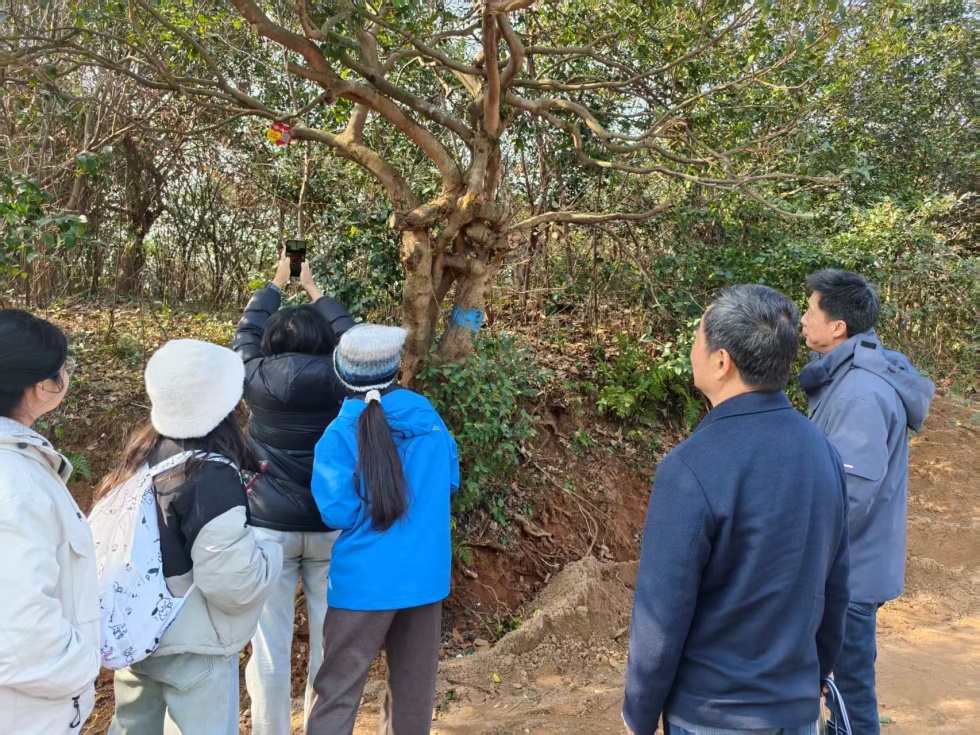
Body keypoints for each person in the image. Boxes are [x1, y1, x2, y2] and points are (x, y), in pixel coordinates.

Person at [623, 285, 850, 735]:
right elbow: (836, 585)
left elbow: (661, 615)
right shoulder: (822, 452)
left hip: (713, 714)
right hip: (796, 710)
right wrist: (814, 677)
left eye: (697, 338)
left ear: (722, 361)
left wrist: (639, 715)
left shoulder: (690, 467)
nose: (693, 350)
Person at [104, 339, 283, 735]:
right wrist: (271, 550)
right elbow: (232, 584)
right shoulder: (210, 474)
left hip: (138, 635)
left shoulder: (142, 456)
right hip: (193, 648)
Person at [306, 324, 459, 735]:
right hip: (424, 579)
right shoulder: (427, 418)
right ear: (395, 368)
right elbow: (449, 481)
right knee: (413, 700)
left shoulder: (339, 433)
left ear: (342, 373)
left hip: (363, 584)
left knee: (336, 694)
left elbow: (336, 512)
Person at [799, 269, 934, 735]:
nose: (803, 319)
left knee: (849, 694)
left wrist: (803, 558)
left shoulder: (859, 392)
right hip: (855, 567)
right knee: (844, 688)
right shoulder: (852, 378)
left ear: (838, 326)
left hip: (850, 576)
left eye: (810, 310)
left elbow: (850, 496)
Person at [233, 250, 354, 734]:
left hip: (268, 527)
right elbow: (352, 339)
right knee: (330, 644)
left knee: (268, 646)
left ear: (272, 342)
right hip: (330, 525)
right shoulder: (343, 377)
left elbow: (245, 332)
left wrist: (276, 282)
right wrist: (314, 290)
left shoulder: (254, 377)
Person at [0, 310, 100, 734]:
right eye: (64, 366)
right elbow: (19, 631)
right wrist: (83, 666)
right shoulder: (15, 482)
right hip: (25, 714)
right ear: (42, 387)